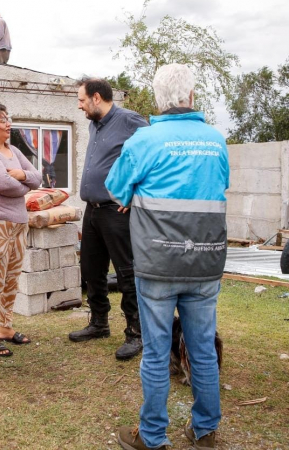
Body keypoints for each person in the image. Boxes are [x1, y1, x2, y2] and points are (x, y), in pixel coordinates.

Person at [107, 64, 229, 450]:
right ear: (190, 97)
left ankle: (153, 436)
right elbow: (218, 186)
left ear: (158, 99)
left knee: (157, 354)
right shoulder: (216, 140)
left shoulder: (144, 141)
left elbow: (114, 190)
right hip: (206, 263)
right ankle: (205, 430)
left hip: (157, 265)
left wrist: (133, 197)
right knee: (202, 349)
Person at [68, 78, 148, 361]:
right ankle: (99, 323)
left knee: (126, 271)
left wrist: (135, 193)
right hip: (92, 209)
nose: (79, 105)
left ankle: (136, 332)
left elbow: (152, 155)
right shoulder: (94, 124)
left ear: (97, 97)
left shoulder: (130, 121)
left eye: (81, 100)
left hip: (116, 211)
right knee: (91, 268)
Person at [0, 103, 41, 357]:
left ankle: (5, 328)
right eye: (3, 120)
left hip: (20, 223)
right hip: (0, 224)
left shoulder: (14, 150)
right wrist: (24, 182)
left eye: (8, 119)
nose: (8, 124)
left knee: (12, 278)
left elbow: (38, 177)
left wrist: (21, 176)